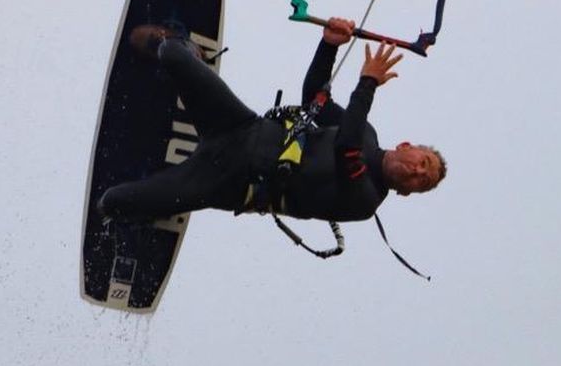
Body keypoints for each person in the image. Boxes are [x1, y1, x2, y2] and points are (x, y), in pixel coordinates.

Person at [99, 18, 445, 224]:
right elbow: (314, 96)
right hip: (239, 129)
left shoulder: (365, 200)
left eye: (421, 181)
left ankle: (138, 216)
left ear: (404, 193)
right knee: (172, 52)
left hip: (225, 184)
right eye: (423, 163)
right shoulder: (367, 132)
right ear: (406, 146)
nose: (417, 172)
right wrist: (328, 45)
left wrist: (367, 83)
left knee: (113, 203)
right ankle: (190, 52)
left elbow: (346, 151)